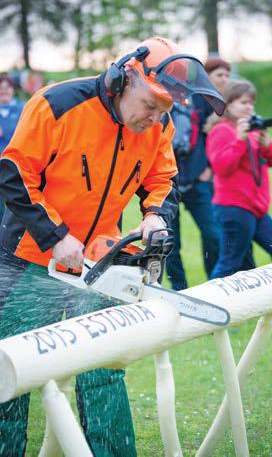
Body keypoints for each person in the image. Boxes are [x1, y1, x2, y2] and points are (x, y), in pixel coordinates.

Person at [0, 36, 224, 456]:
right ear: (125, 78)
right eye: (150, 105)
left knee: (103, 368)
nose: (155, 118)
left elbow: (163, 177)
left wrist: (156, 214)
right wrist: (56, 236)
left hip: (101, 260)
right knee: (10, 372)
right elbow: (15, 173)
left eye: (165, 110)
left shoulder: (158, 123)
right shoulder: (58, 104)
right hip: (29, 257)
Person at [166, 57, 255, 290]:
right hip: (166, 182)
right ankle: (179, 290)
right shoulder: (160, 97)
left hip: (197, 178)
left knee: (214, 234)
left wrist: (209, 167)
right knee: (170, 243)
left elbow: (211, 130)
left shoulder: (199, 97)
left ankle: (216, 287)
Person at [206, 80, 272, 279]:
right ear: (227, 104)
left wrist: (265, 143)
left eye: (251, 103)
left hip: (256, 208)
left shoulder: (250, 129)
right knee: (230, 264)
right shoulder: (221, 130)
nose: (249, 107)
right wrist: (239, 140)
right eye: (243, 102)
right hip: (234, 208)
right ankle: (207, 307)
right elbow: (221, 167)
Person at [0, 75, 24, 219]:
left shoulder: (22, 108)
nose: (3, 91)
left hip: (16, 163)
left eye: (6, 88)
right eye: (0, 88)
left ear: (12, 89)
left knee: (14, 198)